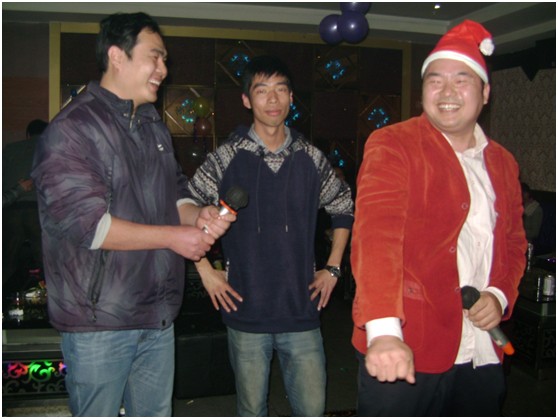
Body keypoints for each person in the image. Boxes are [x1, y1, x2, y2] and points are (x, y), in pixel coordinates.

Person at [31, 12, 235, 417]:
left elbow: (176, 191)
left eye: (164, 59)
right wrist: (174, 237)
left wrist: (197, 215)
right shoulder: (73, 129)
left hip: (157, 315)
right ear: (116, 56)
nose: (164, 69)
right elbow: (88, 225)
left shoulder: (152, 126)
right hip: (100, 322)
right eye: (154, 56)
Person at [351, 20, 527, 416]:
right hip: (407, 346)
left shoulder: (503, 162)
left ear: (485, 92)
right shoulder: (394, 143)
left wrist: (499, 295)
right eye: (435, 81)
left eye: (461, 80)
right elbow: (377, 237)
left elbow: (515, 242)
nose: (447, 92)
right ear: (423, 92)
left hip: (481, 348)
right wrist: (384, 331)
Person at [185, 55, 354, 416]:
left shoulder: (311, 158)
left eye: (281, 90)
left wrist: (334, 267)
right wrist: (205, 271)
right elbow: (185, 207)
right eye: (262, 91)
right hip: (245, 310)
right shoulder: (226, 158)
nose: (273, 99)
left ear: (291, 97)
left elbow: (343, 206)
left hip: (301, 310)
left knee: (313, 409)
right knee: (252, 410)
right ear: (247, 100)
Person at [2, 119, 48, 287]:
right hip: (38, 212)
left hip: (11, 211)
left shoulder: (9, 149)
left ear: (28, 134)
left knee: (7, 264)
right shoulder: (51, 150)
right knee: (45, 264)